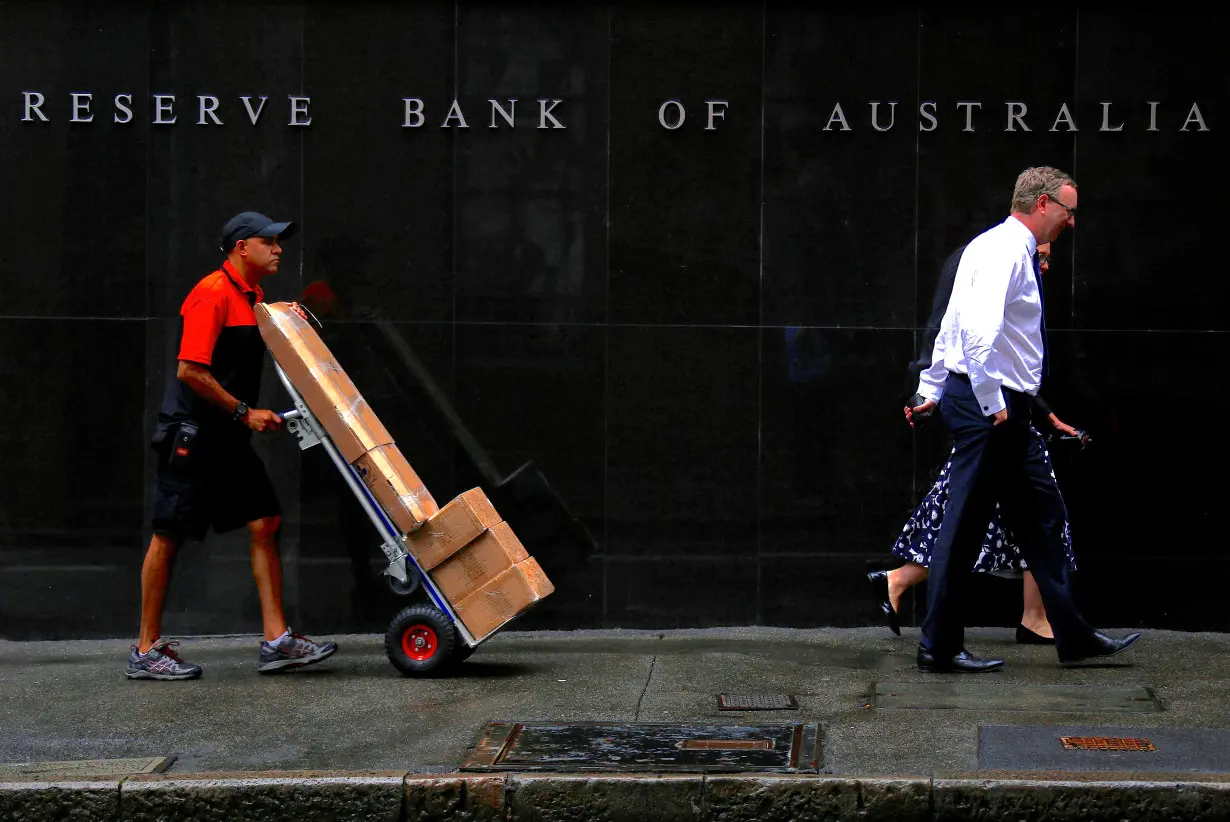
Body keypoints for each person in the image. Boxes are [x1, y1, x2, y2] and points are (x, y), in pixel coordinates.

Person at [905, 167, 1140, 672]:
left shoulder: (994, 247)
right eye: (1067, 210)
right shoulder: (1005, 251)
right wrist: (992, 406)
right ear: (1041, 204)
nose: (1071, 221)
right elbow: (973, 334)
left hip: (1001, 407)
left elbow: (950, 323)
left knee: (1043, 517)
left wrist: (931, 387)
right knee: (964, 527)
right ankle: (938, 648)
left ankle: (1071, 635)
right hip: (990, 409)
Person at [126, 211, 338, 680]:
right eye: (270, 241)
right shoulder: (211, 295)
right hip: (194, 436)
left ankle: (277, 640)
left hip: (227, 436)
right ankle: (145, 650)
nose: (279, 248)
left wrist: (295, 317)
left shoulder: (253, 296)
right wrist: (245, 412)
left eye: (280, 241)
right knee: (168, 534)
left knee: (265, 520)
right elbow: (190, 372)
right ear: (242, 247)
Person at [868, 244, 1086, 644]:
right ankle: (941, 625)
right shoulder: (989, 266)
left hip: (1001, 409)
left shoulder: (1015, 279)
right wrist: (935, 394)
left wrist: (1041, 411)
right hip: (987, 411)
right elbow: (953, 337)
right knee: (978, 519)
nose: (1046, 263)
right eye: (1041, 254)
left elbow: (1013, 360)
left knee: (1005, 518)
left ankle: (1037, 619)